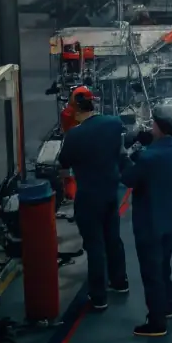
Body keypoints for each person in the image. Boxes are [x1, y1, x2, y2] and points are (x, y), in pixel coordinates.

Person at [57, 88, 129, 311]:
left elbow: (64, 163)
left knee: (95, 245)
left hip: (88, 197)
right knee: (113, 239)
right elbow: (120, 149)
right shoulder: (114, 123)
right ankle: (120, 282)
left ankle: (98, 296)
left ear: (77, 109)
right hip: (110, 191)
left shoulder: (75, 136)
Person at [121, 109, 172, 338]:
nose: (151, 129)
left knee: (151, 271)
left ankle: (156, 322)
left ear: (161, 129)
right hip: (170, 218)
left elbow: (128, 178)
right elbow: (160, 148)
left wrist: (124, 154)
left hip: (149, 222)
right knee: (164, 265)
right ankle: (168, 306)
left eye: (153, 127)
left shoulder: (149, 158)